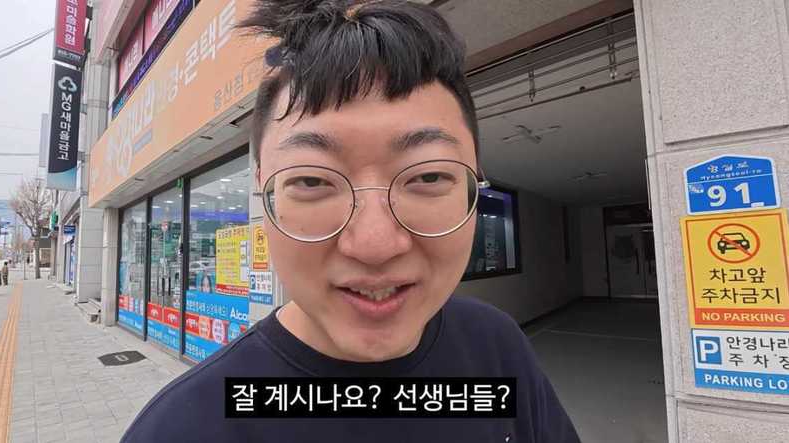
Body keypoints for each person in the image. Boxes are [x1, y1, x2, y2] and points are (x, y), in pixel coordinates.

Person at [122, 1, 579, 442]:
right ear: (263, 193)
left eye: (428, 176)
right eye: (312, 180)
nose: (375, 244)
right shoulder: (184, 428)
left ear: (474, 183)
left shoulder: (496, 347)